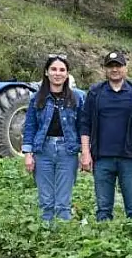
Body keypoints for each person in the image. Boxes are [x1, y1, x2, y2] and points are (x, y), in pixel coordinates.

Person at [79, 51, 132, 221]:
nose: (114, 69)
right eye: (110, 66)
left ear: (125, 68)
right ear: (105, 69)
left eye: (118, 65)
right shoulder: (95, 92)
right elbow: (85, 124)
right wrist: (85, 152)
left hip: (129, 156)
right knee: (103, 209)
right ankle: (103, 240)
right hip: (102, 157)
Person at [22, 54, 85, 221]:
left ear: (67, 74)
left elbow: (83, 127)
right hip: (43, 151)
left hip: (68, 151)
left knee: (63, 202)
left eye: (62, 70)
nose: (58, 73)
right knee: (46, 201)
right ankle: (46, 237)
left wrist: (84, 151)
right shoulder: (37, 98)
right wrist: (28, 154)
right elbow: (30, 127)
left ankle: (63, 239)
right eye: (54, 69)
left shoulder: (77, 98)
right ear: (46, 72)